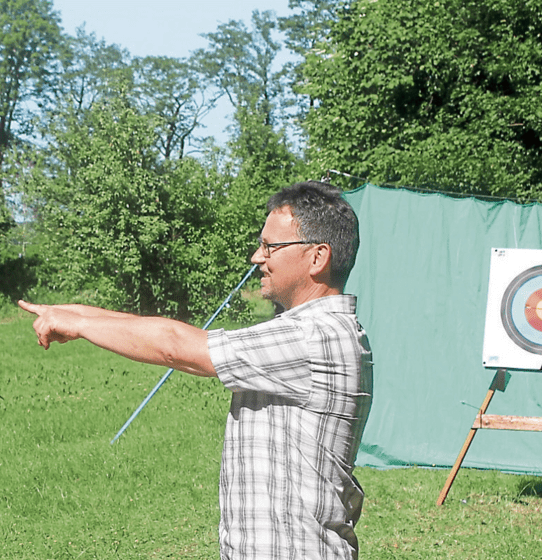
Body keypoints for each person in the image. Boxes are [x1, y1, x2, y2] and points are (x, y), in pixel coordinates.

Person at [18, 181, 373, 560]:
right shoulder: (311, 332)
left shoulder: (314, 337)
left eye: (271, 246)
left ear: (317, 257)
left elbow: (175, 345)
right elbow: (174, 337)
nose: (257, 256)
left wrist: (80, 324)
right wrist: (76, 314)